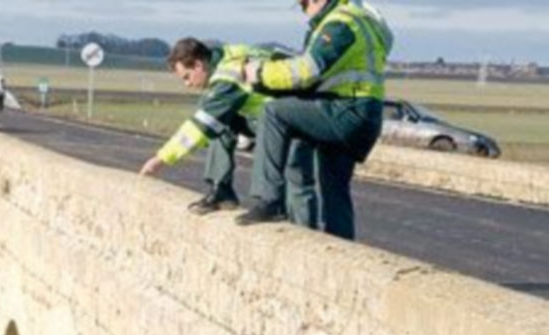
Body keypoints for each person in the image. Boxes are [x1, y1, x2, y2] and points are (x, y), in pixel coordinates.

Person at [237, 0, 394, 239]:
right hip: (365, 113)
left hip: (347, 110)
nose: (305, 14)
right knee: (334, 188)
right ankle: (340, 245)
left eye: (304, 6)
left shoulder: (340, 23)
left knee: (274, 112)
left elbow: (306, 71)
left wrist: (259, 72)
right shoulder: (362, 20)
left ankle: (268, 201)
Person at [140, 37, 317, 225]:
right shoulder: (230, 55)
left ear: (199, 65)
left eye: (187, 76)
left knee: (297, 182)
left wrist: (161, 159)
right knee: (221, 120)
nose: (187, 84)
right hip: (279, 114)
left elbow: (199, 126)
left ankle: (302, 229)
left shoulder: (228, 78)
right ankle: (222, 191)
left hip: (291, 123)